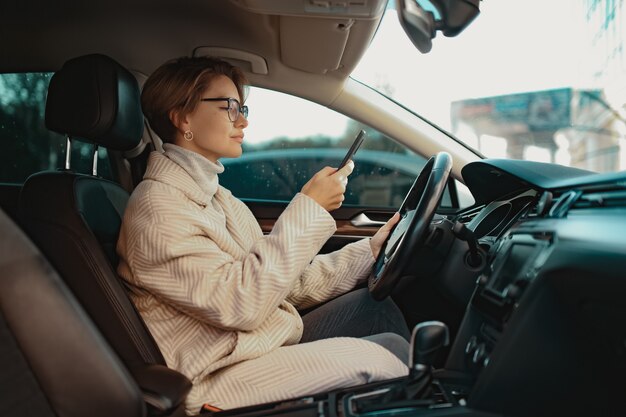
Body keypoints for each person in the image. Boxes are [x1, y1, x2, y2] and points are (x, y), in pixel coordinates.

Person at [117, 56, 410, 413]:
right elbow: (241, 303)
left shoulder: (219, 198)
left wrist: (369, 251)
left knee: (376, 312)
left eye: (243, 107)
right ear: (182, 117)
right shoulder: (158, 208)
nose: (243, 119)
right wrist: (310, 207)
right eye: (229, 106)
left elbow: (282, 281)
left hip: (255, 343)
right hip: (217, 373)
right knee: (389, 362)